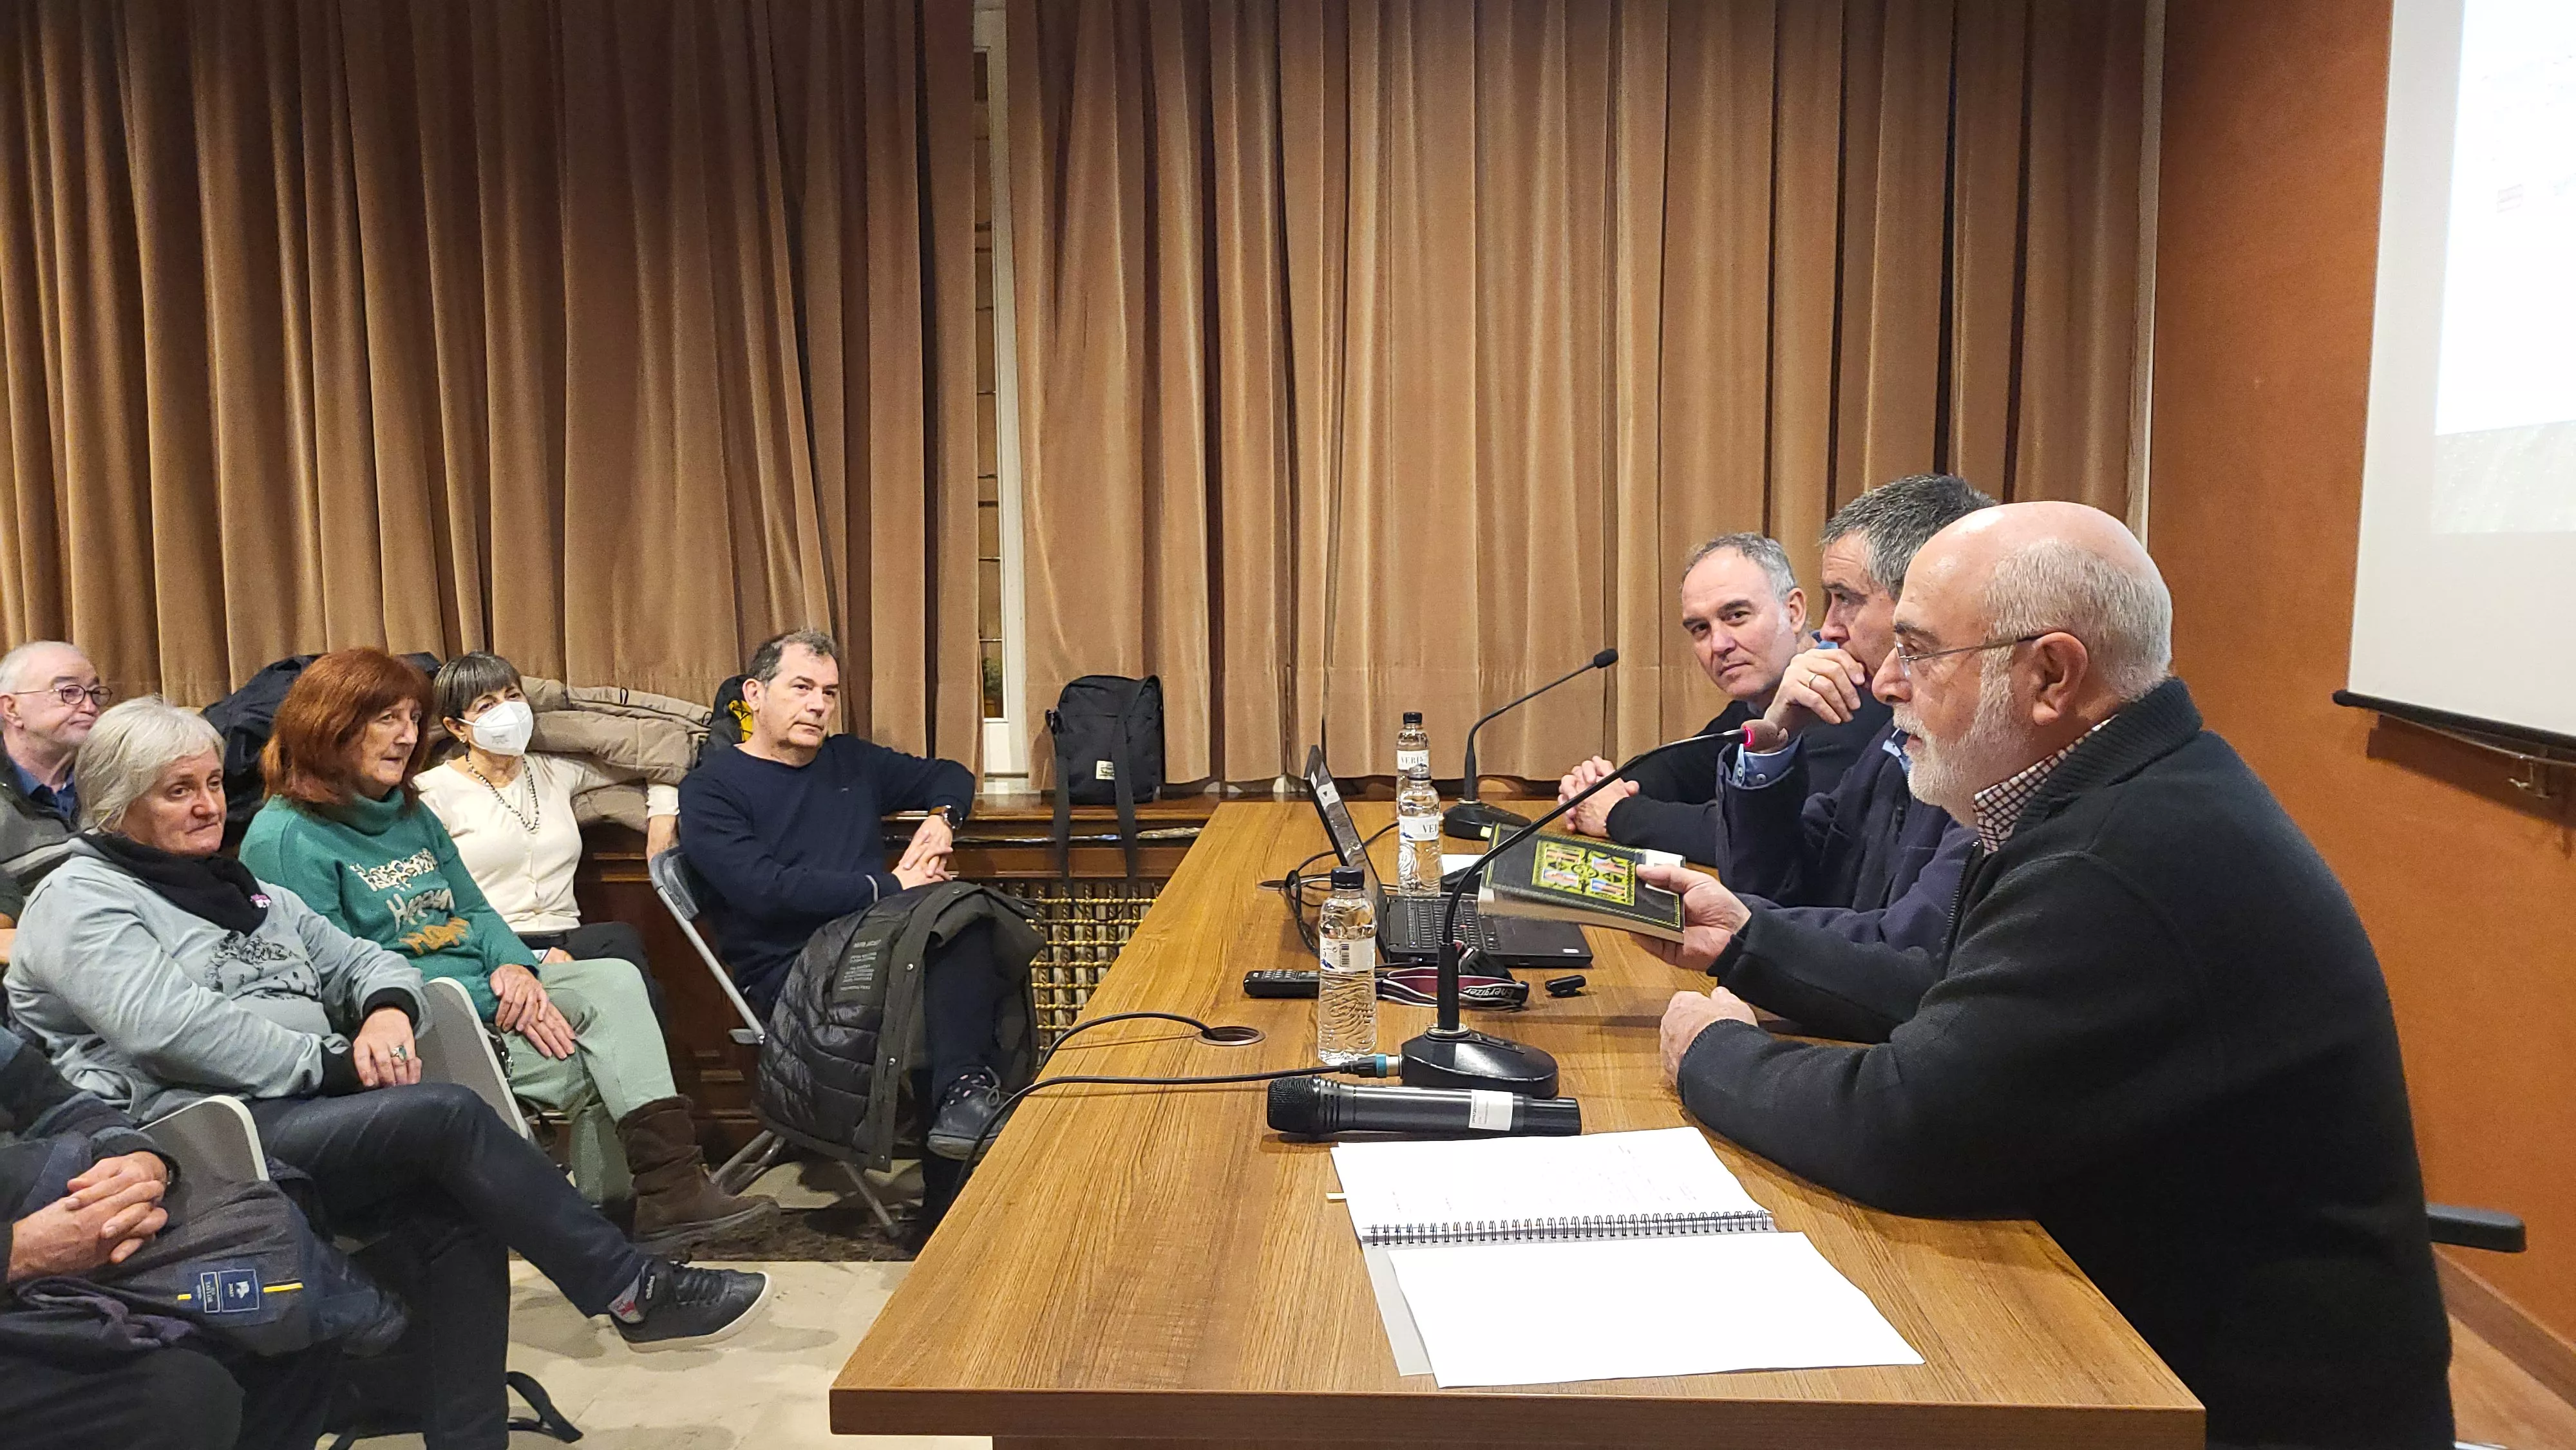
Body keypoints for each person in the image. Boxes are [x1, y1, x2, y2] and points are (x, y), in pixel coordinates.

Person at [1642, 502, 2452, 1449]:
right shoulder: (2113, 791)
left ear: (2052, 675)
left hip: (2238, 1405)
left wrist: (1713, 1054)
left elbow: (1910, 1123)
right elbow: (1941, 993)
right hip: (2148, 1316)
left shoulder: (2118, 858)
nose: (1888, 683)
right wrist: (1750, 940)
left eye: (1919, 650)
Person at [7, 697, 772, 1449]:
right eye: (180, 790)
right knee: (443, 1114)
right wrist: (332, 1063)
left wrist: (383, 1011)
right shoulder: (82, 898)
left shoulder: (236, 887)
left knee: (456, 1212)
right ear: (116, 802)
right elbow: (174, 1030)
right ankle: (631, 1288)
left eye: (211, 782)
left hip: (286, 1111)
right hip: (189, 1132)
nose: (209, 805)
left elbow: (361, 956)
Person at [236, 650, 771, 1248]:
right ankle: (616, 1223)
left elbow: (475, 909)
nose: (407, 736)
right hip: (415, 1013)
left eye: (414, 719)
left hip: (484, 982)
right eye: (386, 719)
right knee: (596, 1062)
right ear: (330, 724)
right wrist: (490, 997)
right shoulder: (286, 836)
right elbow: (337, 979)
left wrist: (515, 967)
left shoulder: (406, 809)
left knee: (617, 977)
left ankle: (666, 1196)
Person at [679, 628, 1017, 1160]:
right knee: (951, 941)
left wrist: (941, 820)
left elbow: (950, 774)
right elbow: (765, 891)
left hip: (876, 943)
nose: (818, 705)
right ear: (755, 694)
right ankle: (964, 1106)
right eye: (801, 688)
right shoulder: (711, 789)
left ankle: (963, 1110)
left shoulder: (850, 761)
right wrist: (890, 886)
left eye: (830, 692)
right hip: (794, 973)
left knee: (967, 925)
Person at [1694, 475, 1992, 982]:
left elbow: (1912, 955)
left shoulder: (1990, 748)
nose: (1827, 628)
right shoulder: (1895, 735)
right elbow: (1777, 886)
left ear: (1924, 600)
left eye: (1845, 597)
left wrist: (1735, 928)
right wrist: (1773, 740)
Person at [1, 1013, 345, 1450]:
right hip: (26, 1259)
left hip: (51, 1238)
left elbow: (56, 1100)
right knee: (180, 1396)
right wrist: (21, 1250)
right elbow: (163, 1029)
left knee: (288, 1300)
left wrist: (140, 1159)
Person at [1555, 534, 1882, 854]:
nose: (1719, 645)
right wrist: (1596, 788)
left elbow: (1753, 841)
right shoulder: (1757, 702)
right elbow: (1675, 770)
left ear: (1793, 612)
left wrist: (1616, 814)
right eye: (1700, 629)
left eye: (1736, 616)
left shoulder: (1848, 700)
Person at [417, 652, 675, 1004]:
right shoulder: (431, 793)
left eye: (512, 696)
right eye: (486, 705)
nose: (507, 711)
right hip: (489, 946)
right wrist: (526, 959)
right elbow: (431, 909)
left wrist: (663, 815)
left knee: (625, 952)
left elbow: (660, 760)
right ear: (457, 728)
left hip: (567, 934)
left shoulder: (554, 770)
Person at [1, 640, 107, 889]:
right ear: (12, 709)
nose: (90, 707)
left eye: (94, 692)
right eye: (69, 692)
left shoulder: (116, 774)